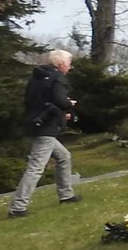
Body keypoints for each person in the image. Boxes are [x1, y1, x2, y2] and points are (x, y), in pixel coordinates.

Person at [9, 49, 78, 217]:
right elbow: (60, 101)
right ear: (61, 64)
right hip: (47, 127)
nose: (70, 67)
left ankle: (66, 195)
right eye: (69, 64)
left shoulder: (36, 77)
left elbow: (33, 101)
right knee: (36, 167)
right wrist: (69, 104)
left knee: (64, 157)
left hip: (36, 122)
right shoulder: (58, 78)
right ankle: (18, 207)